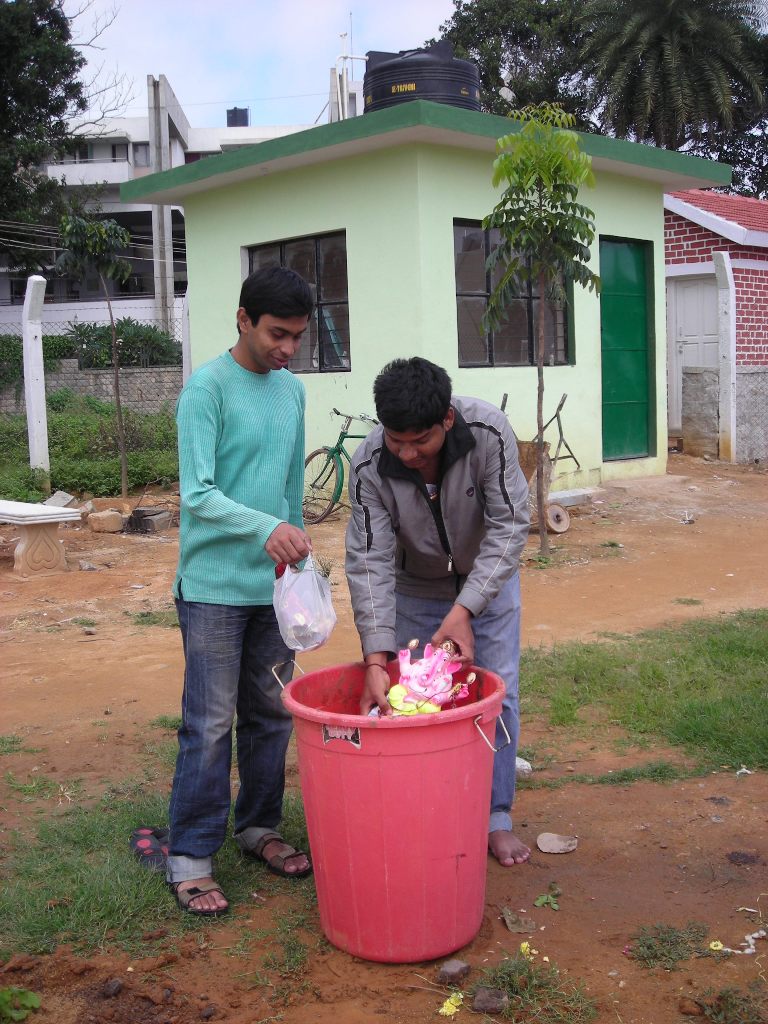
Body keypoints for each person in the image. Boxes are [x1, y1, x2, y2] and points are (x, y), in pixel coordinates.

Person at [167, 266, 315, 915]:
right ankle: (191, 855)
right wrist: (268, 530)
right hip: (211, 589)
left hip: (273, 589)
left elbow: (289, 492)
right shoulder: (207, 390)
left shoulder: (293, 393)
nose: (286, 349)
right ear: (243, 319)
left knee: (271, 715)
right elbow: (196, 495)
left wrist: (300, 563)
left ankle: (258, 827)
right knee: (208, 724)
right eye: (277, 334)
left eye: (297, 338)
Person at [345, 357, 531, 867]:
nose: (406, 453)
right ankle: (424, 810)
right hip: (412, 588)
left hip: (486, 585)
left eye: (419, 441)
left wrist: (467, 607)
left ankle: (494, 817)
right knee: (408, 701)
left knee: (497, 696)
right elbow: (368, 562)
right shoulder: (366, 465)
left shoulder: (489, 433)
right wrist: (375, 657)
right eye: (395, 439)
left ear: (447, 419)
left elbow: (510, 525)